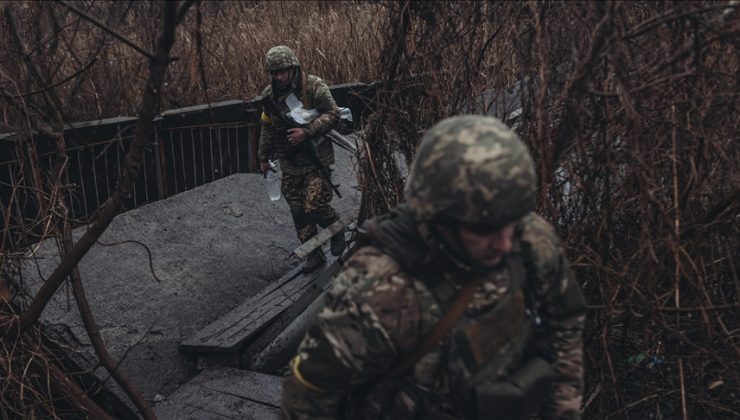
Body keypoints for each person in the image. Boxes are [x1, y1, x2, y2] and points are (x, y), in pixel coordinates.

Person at [281, 115, 586, 419]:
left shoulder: (531, 239)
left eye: (512, 220)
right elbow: (308, 401)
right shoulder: (379, 288)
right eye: (484, 229)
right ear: (438, 219)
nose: (506, 243)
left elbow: (565, 324)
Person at [257, 45, 345, 273]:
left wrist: (307, 131)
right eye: (275, 73)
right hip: (290, 163)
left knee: (313, 205)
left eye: (284, 71)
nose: (280, 76)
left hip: (316, 159)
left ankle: (337, 229)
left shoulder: (314, 86)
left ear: (293, 68)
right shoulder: (270, 95)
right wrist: (263, 158)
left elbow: (334, 114)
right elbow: (267, 127)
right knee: (298, 212)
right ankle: (313, 254)